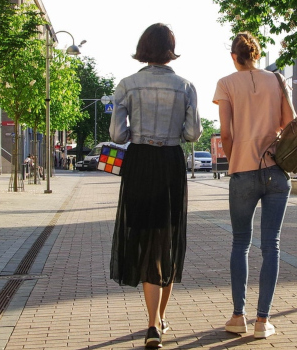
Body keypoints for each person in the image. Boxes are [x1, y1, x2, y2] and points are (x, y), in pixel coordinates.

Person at [109, 23, 201, 349]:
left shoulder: (126, 85)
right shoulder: (186, 86)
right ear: (170, 49)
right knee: (167, 240)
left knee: (146, 237)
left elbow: (118, 136)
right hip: (170, 165)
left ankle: (152, 324)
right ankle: (158, 320)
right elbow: (192, 134)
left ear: (143, 47)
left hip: (140, 165)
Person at [213, 32, 294, 339]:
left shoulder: (225, 84)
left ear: (234, 56)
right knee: (271, 245)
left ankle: (238, 317)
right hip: (276, 170)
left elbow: (226, 133)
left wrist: (236, 163)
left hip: (243, 171)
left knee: (240, 243)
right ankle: (263, 321)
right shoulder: (276, 79)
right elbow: (290, 122)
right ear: (256, 54)